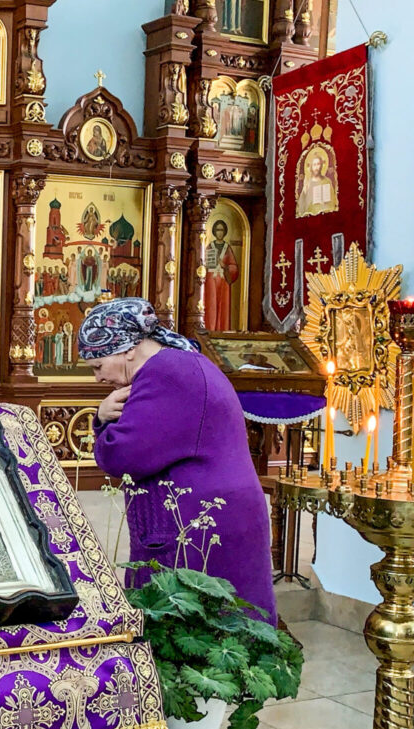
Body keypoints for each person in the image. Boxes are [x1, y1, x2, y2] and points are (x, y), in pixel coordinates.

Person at [80, 297, 276, 624]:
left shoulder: (164, 374)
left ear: (128, 349)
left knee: (197, 634)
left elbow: (122, 456)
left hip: (200, 528)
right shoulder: (181, 363)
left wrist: (102, 420)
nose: (98, 378)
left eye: (98, 366)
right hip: (218, 518)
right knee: (228, 628)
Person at [203, 219, 239, 331]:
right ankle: (210, 329)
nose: (220, 232)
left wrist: (225, 266)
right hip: (211, 279)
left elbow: (234, 267)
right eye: (218, 230)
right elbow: (202, 262)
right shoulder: (210, 246)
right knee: (211, 305)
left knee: (223, 305)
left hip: (223, 280)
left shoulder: (227, 248)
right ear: (214, 231)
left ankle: (222, 330)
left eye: (222, 230)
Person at [297, 149, 339, 218]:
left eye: (318, 164)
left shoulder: (327, 181)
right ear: (311, 167)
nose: (316, 167)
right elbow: (301, 209)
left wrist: (324, 205)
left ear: (321, 165)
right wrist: (305, 191)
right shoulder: (307, 183)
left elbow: (332, 204)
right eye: (314, 165)